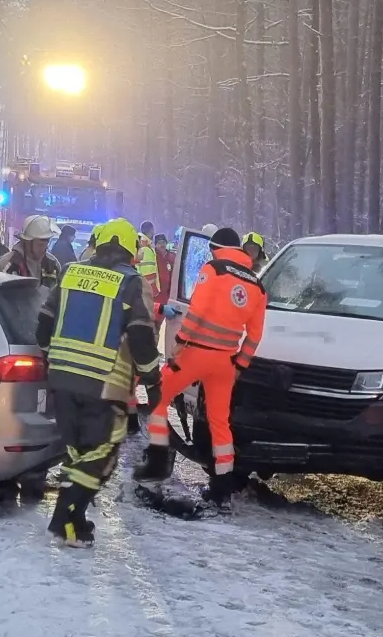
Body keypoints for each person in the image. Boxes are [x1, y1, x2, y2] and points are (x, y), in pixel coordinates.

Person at [37, 219, 160, 548]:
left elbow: (45, 320)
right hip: (102, 383)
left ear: (97, 243)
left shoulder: (71, 271)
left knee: (79, 452)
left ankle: (75, 523)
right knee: (102, 452)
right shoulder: (132, 282)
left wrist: (52, 354)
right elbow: (141, 336)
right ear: (131, 251)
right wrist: (152, 379)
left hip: (61, 378)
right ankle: (65, 518)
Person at [140, 227, 268, 506]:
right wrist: (239, 366)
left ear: (215, 248)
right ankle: (222, 487)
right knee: (220, 423)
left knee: (158, 398)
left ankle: (157, 464)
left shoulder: (214, 269)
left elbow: (197, 310)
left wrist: (180, 343)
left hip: (196, 353)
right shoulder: (257, 286)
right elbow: (255, 335)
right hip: (225, 363)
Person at [0, 214, 61, 288]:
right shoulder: (9, 263)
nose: (45, 248)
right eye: (40, 245)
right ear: (27, 242)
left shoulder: (53, 264)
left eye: (47, 243)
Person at [136, 221, 161, 298]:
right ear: (151, 231)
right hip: (145, 293)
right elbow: (148, 275)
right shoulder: (146, 249)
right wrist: (153, 292)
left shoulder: (139, 243)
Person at [153, 233, 175, 319]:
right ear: (155, 245)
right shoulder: (153, 256)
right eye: (159, 243)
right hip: (156, 294)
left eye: (163, 242)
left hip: (168, 294)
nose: (161, 245)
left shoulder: (172, 256)